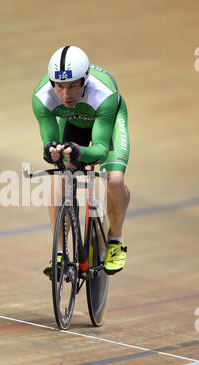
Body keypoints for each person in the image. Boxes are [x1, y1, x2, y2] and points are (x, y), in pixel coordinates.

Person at [32, 46, 130, 277]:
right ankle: (59, 254)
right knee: (60, 176)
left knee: (114, 180)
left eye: (74, 85)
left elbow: (100, 151)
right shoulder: (41, 97)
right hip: (74, 122)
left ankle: (115, 242)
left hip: (107, 124)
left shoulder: (103, 94)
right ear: (52, 82)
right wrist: (51, 151)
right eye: (60, 86)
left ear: (85, 80)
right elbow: (49, 142)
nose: (66, 95)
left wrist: (77, 152)